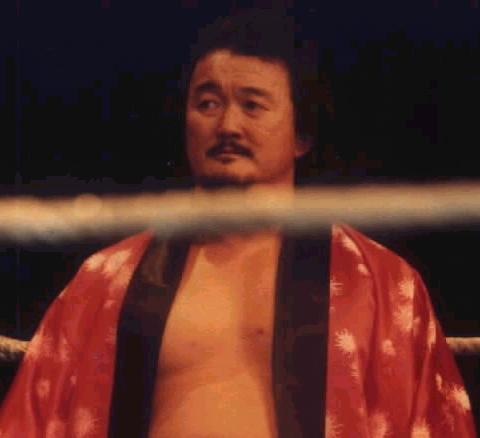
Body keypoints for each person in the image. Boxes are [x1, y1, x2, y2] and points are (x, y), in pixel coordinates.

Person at [0, 10, 476, 438]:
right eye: (208, 104)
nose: (228, 125)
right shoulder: (105, 283)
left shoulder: (379, 284)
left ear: (301, 133)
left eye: (253, 105)